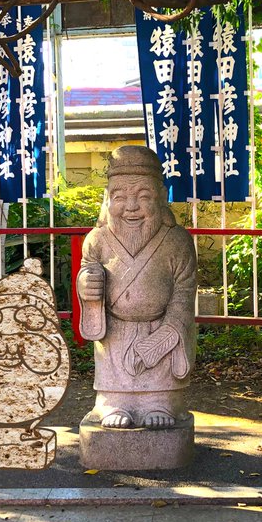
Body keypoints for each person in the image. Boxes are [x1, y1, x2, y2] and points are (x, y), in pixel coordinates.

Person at [77, 146, 196, 429]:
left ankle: (161, 402)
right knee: (114, 382)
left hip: (160, 329)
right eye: (120, 197)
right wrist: (87, 288)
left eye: (143, 197)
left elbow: (184, 291)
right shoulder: (96, 240)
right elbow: (86, 273)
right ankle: (113, 402)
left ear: (162, 198)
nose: (131, 207)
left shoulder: (177, 241)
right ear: (107, 200)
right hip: (115, 332)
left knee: (160, 387)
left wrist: (164, 337)